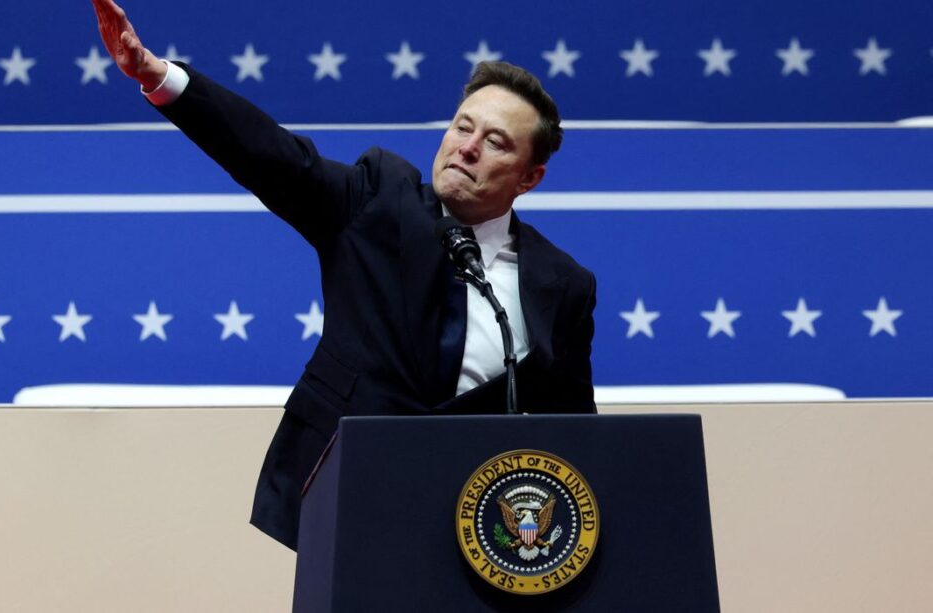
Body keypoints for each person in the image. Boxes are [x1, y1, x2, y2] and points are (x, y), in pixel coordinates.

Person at [92, 0, 597, 551]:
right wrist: (158, 76)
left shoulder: (562, 284)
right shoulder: (378, 200)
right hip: (349, 496)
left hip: (479, 527)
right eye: (462, 127)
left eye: (495, 142)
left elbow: (574, 431)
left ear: (529, 177)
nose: (467, 148)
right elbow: (273, 157)